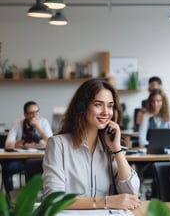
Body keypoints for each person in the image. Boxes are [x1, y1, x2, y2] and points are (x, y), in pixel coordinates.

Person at [42, 78, 141, 210]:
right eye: (98, 105)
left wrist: (117, 150)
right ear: (82, 107)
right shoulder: (58, 145)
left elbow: (132, 193)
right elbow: (54, 199)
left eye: (110, 106)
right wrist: (106, 202)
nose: (106, 112)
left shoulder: (110, 146)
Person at [2, 100, 53, 197]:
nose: (34, 116)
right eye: (31, 113)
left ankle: (39, 195)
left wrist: (38, 127)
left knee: (42, 167)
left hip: (38, 159)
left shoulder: (43, 122)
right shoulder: (17, 123)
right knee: (8, 168)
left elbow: (51, 141)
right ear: (25, 114)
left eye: (36, 112)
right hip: (20, 159)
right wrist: (21, 143)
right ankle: (10, 196)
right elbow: (8, 144)